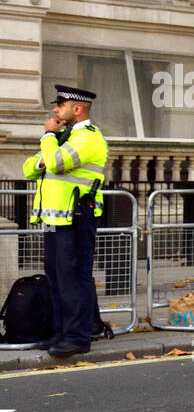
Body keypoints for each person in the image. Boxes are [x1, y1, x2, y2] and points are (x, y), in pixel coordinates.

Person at [21, 85, 109, 356]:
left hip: (77, 218)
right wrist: (49, 148)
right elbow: (28, 169)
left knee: (73, 278)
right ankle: (60, 333)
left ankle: (78, 337)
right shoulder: (64, 138)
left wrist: (48, 135)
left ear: (78, 108)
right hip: (54, 219)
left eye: (60, 104)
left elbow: (56, 163)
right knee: (57, 278)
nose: (55, 110)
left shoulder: (89, 138)